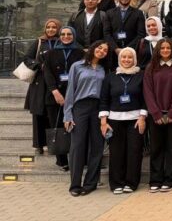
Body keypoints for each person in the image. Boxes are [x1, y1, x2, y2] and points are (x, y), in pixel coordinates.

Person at [63, 40, 110, 196]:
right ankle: (75, 184)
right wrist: (67, 114)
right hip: (80, 107)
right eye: (100, 48)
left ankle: (91, 183)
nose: (102, 51)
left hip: (97, 108)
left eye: (105, 50)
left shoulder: (104, 69)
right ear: (93, 48)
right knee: (77, 146)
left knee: (97, 146)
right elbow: (70, 91)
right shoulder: (77, 66)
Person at [143, 37, 172, 192]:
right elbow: (147, 91)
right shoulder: (151, 67)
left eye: (168, 48)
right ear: (158, 50)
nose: (165, 50)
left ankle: (170, 180)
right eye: (162, 48)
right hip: (155, 115)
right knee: (156, 148)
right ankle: (155, 180)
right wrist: (156, 113)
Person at [99, 47, 147, 194]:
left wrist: (142, 117)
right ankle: (116, 183)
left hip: (135, 119)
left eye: (130, 57)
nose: (126, 60)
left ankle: (131, 183)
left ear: (135, 59)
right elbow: (104, 99)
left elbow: (146, 98)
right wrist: (103, 121)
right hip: (114, 120)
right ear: (119, 59)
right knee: (116, 152)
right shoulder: (110, 77)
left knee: (134, 151)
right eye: (124, 57)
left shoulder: (141, 76)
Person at [43, 26, 83, 171]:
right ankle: (62, 161)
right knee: (58, 127)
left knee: (75, 127)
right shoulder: (50, 53)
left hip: (75, 95)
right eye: (63, 34)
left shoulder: (80, 53)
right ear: (59, 36)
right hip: (54, 96)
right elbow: (47, 73)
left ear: (74, 35)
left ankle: (77, 158)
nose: (66, 36)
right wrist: (55, 92)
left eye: (69, 34)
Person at [24, 18, 61, 155]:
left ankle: (53, 144)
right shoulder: (39, 42)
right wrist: (39, 65)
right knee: (38, 115)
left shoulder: (61, 41)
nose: (51, 29)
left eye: (54, 27)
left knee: (53, 114)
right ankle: (39, 145)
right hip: (39, 83)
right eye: (48, 27)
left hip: (56, 83)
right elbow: (27, 58)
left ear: (58, 28)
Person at [104, 0, 146, 66]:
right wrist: (116, 48)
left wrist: (127, 49)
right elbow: (106, 33)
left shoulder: (138, 13)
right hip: (114, 53)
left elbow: (141, 34)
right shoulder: (109, 13)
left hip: (132, 52)